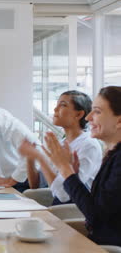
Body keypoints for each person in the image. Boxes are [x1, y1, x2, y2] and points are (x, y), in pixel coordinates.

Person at [43, 86, 121, 246]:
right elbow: (96, 210)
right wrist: (72, 175)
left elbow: (96, 217)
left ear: (119, 121)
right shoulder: (112, 155)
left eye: (97, 112)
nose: (88, 117)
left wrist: (66, 170)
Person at [19, 91, 102, 205]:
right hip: (58, 203)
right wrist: (30, 158)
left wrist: (40, 158)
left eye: (62, 105)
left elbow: (65, 195)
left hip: (75, 209)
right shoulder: (61, 143)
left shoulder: (89, 145)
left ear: (78, 115)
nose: (55, 109)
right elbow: (36, 185)